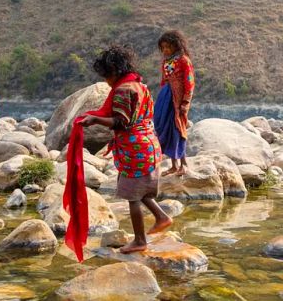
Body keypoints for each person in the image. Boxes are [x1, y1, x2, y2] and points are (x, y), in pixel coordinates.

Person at [67, 45, 172, 256]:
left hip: (135, 149)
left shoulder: (124, 90)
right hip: (149, 144)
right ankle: (162, 217)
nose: (106, 81)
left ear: (114, 71)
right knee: (140, 190)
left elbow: (121, 123)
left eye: (107, 76)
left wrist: (95, 118)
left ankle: (140, 240)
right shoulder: (139, 85)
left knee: (132, 196)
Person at [154, 30, 195, 176]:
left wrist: (185, 102)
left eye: (168, 47)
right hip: (165, 98)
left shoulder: (184, 60)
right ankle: (173, 165)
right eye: (163, 47)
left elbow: (189, 83)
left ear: (176, 45)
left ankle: (184, 164)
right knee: (163, 128)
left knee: (178, 129)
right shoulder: (166, 61)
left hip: (177, 101)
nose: (165, 50)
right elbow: (164, 80)